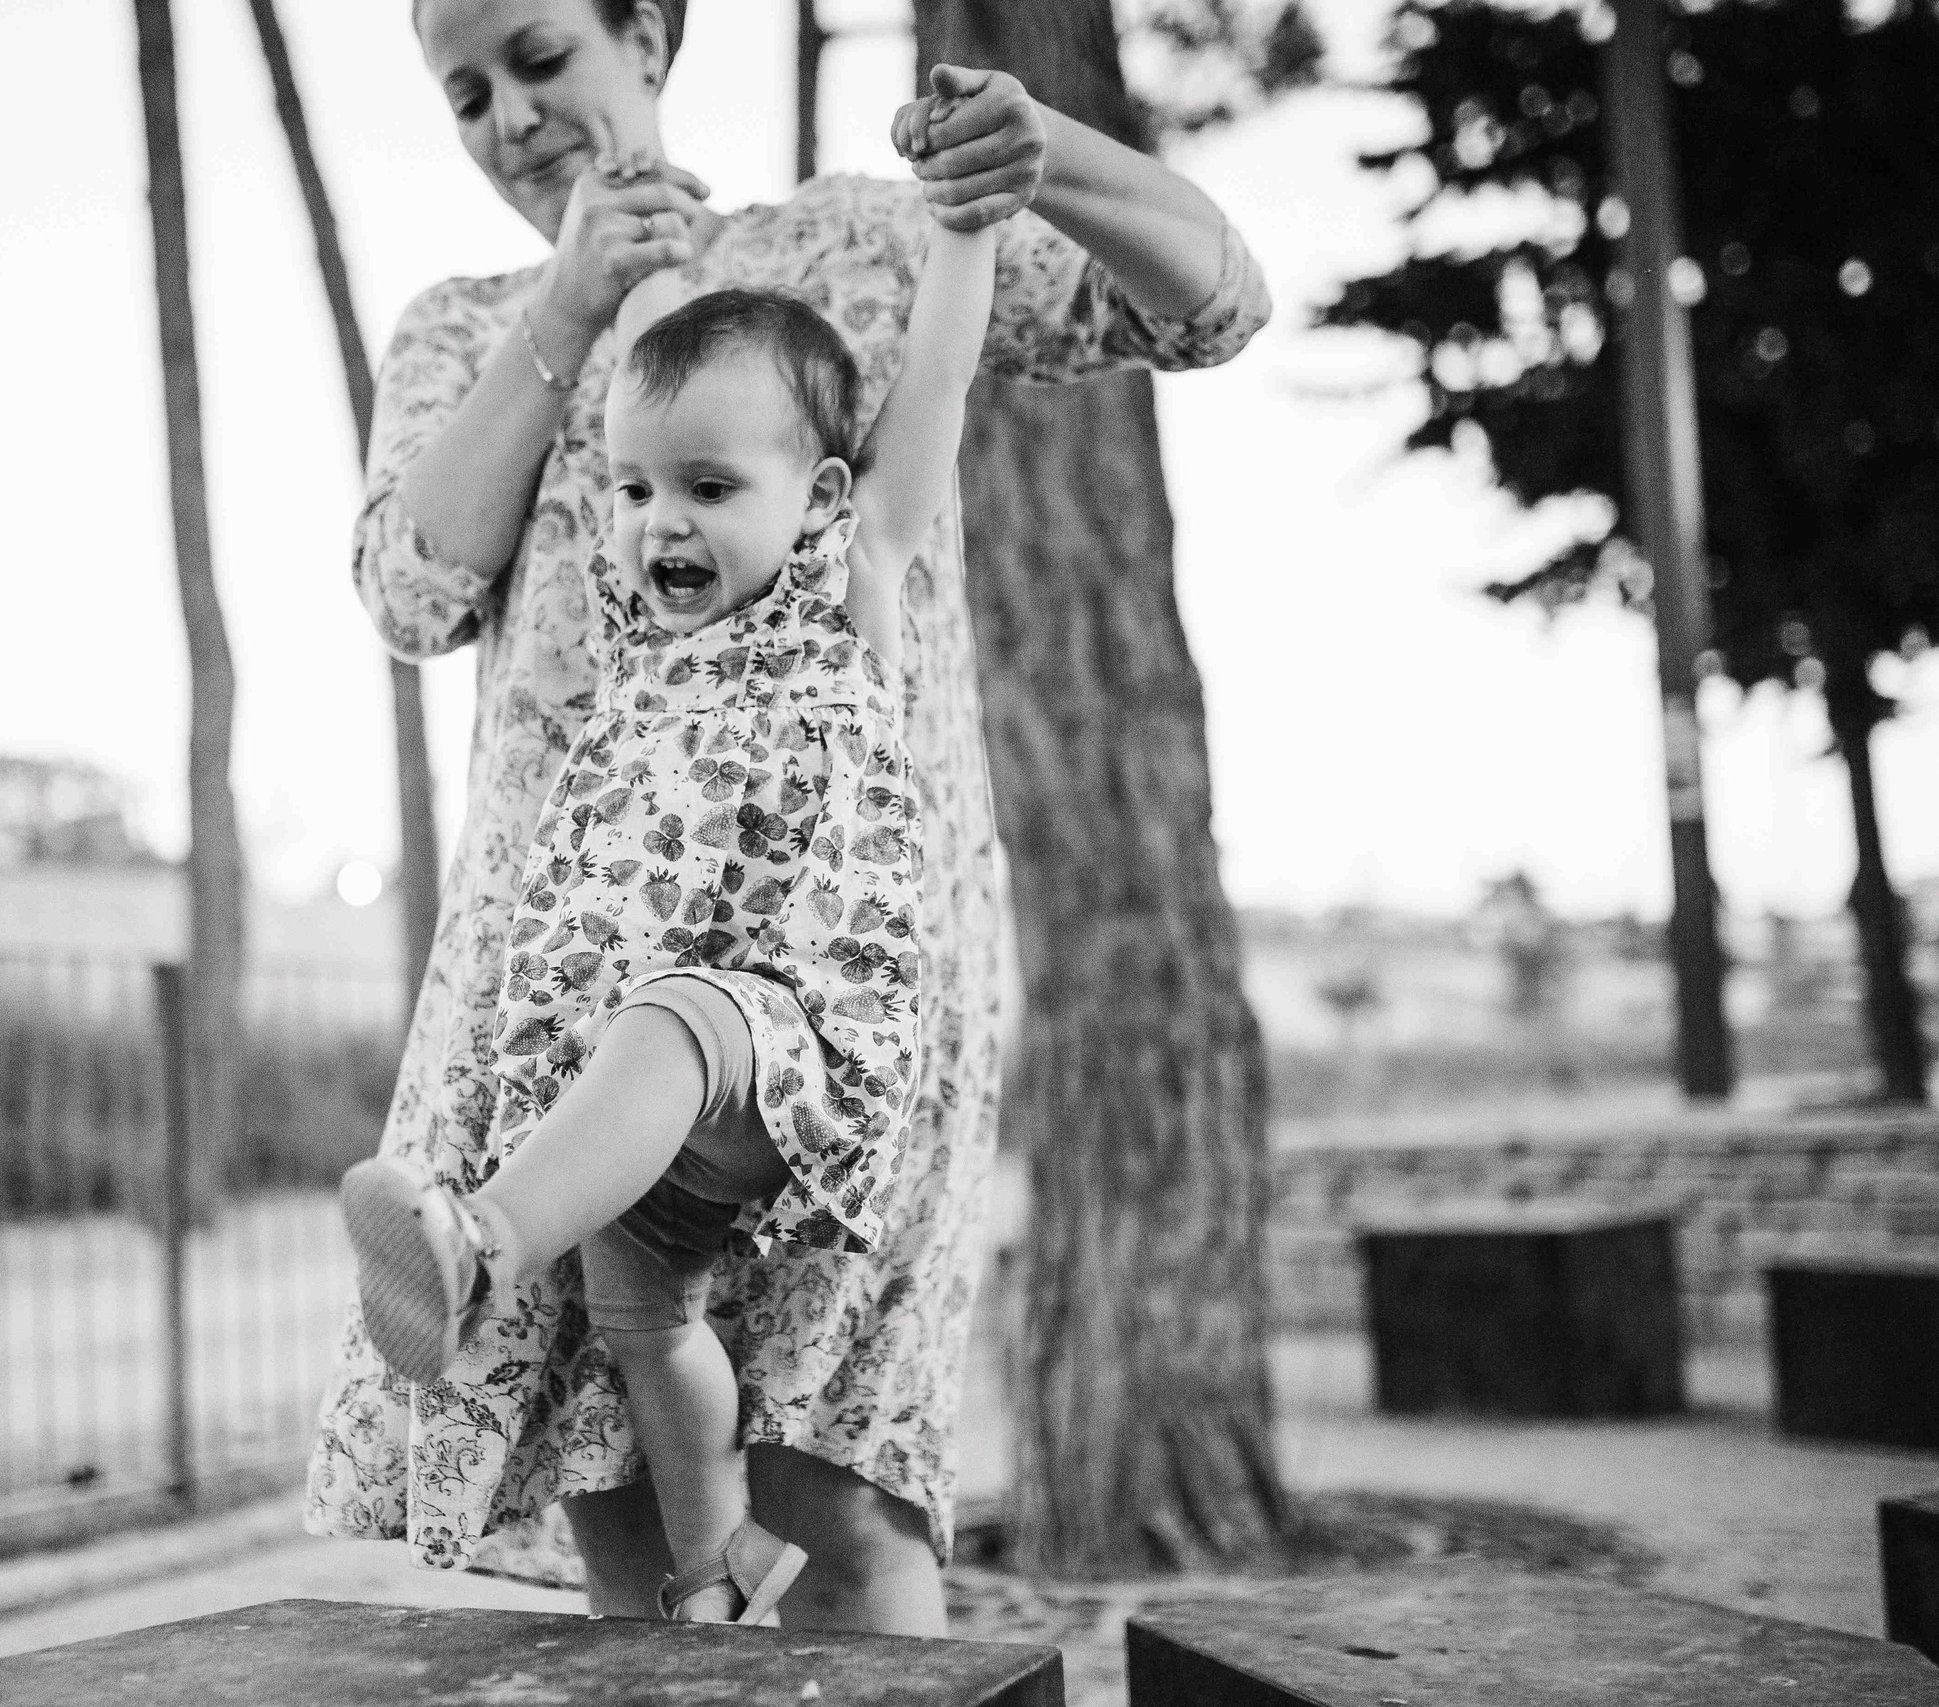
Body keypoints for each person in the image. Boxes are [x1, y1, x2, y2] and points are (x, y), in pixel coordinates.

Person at [307, 0, 1269, 1634]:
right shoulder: (466, 327)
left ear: (646, 33)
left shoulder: (855, 251)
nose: (509, 118)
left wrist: (1039, 158)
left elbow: (1212, 303)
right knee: (624, 1476)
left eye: (539, 58)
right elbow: (413, 591)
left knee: (844, 1491)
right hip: (560, 985)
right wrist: (566, 310)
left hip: (838, 969)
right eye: (464, 94)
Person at [340, 127, 999, 1621]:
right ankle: (716, 1569)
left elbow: (937, 392)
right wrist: (618, 293)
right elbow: (644, 390)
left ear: (818, 495)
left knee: (674, 1018)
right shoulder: (644, 639)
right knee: (645, 1330)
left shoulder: (847, 582)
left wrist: (964, 232)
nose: (661, 523)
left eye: (708, 485)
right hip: (654, 1098)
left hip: (793, 1043)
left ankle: (482, 1248)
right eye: (635, 492)